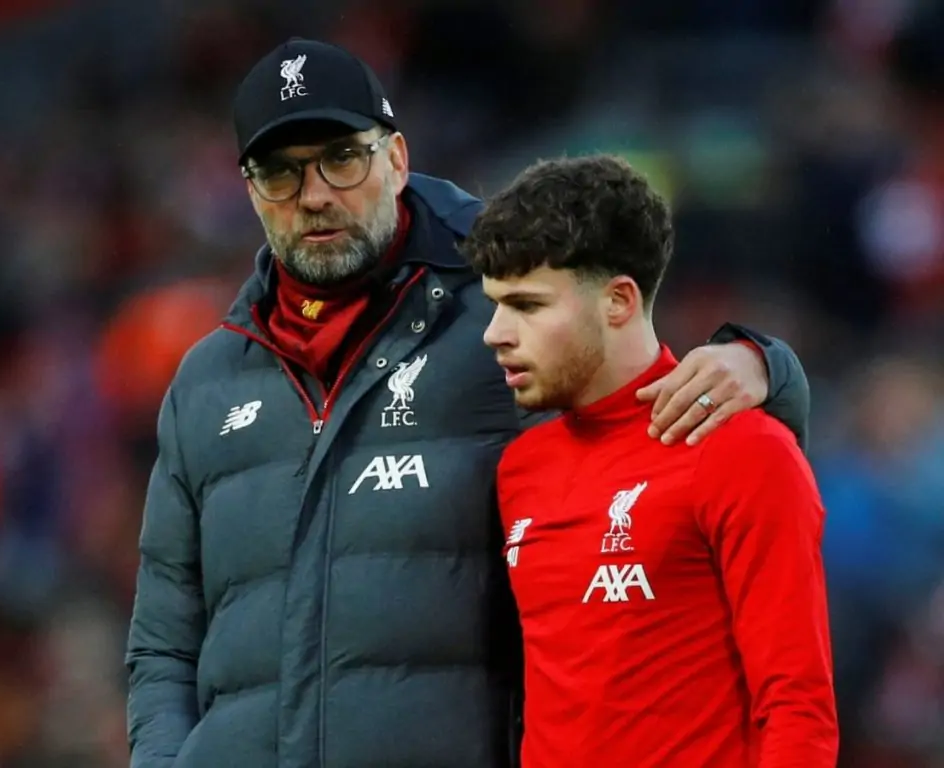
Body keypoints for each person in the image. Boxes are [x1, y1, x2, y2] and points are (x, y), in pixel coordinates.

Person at [124, 37, 813, 768]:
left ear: (396, 159)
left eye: (342, 158)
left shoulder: (503, 316)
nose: (315, 195)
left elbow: (640, 385)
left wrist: (765, 366)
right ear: (250, 190)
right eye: (280, 173)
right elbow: (163, 644)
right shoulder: (207, 381)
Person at [461, 153, 838, 767]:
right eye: (496, 304)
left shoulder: (739, 449)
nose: (495, 332)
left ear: (618, 301)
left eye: (527, 305)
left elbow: (798, 706)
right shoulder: (521, 467)